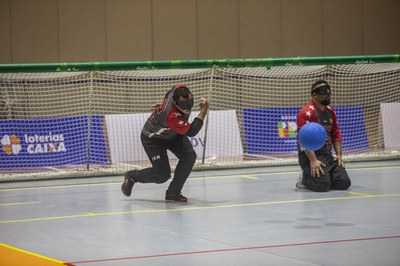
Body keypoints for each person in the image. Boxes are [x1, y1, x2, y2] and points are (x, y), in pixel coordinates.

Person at [121, 84, 209, 202]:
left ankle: (173, 193)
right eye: (184, 104)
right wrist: (204, 110)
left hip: (173, 134)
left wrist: (163, 105)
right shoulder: (171, 117)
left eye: (190, 101)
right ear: (175, 102)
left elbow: (169, 93)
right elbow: (192, 131)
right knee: (162, 175)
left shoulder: (178, 88)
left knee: (189, 156)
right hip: (154, 138)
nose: (188, 107)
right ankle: (132, 176)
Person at [296, 80, 351, 192]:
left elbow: (336, 134)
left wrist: (339, 155)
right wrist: (313, 161)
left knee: (344, 182)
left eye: (329, 93)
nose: (328, 95)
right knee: (322, 185)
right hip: (309, 155)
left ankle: (325, 175)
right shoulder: (306, 112)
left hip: (326, 154)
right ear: (314, 95)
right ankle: (304, 178)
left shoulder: (330, 112)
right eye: (324, 93)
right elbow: (303, 140)